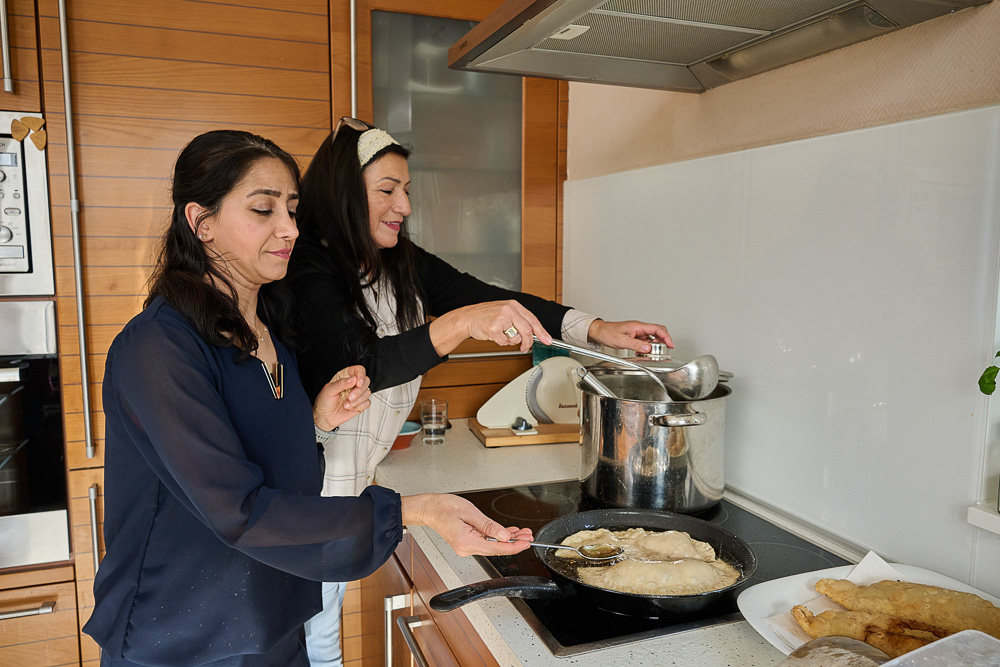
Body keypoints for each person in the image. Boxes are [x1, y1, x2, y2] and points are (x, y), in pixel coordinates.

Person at [83, 129, 532, 667]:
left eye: (292, 210)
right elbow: (239, 512)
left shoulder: (269, 326)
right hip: (183, 635)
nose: (290, 228)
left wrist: (316, 423)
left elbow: (276, 468)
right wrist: (415, 510)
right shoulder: (157, 347)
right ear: (201, 222)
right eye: (263, 209)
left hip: (272, 617)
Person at [285, 117, 674, 666]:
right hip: (309, 479)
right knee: (314, 630)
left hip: (357, 472)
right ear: (344, 195)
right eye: (387, 190)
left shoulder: (398, 262)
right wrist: (460, 324)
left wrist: (596, 328)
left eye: (407, 190)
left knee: (322, 623)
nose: (405, 206)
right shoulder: (308, 265)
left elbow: (489, 297)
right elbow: (361, 362)